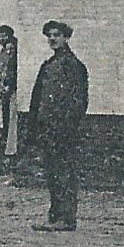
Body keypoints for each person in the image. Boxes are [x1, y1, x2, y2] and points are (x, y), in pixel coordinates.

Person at [28, 19, 89, 232]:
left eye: (57, 35)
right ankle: (55, 217)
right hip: (48, 130)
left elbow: (78, 101)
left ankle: (67, 218)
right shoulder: (49, 65)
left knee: (65, 173)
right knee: (53, 173)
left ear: (66, 37)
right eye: (49, 36)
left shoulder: (73, 66)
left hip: (64, 131)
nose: (52, 39)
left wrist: (68, 126)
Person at [0, 25, 20, 161]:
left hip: (10, 89)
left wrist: (8, 86)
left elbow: (10, 68)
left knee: (10, 118)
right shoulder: (3, 50)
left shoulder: (11, 49)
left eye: (3, 35)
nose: (0, 39)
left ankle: (11, 150)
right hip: (5, 88)